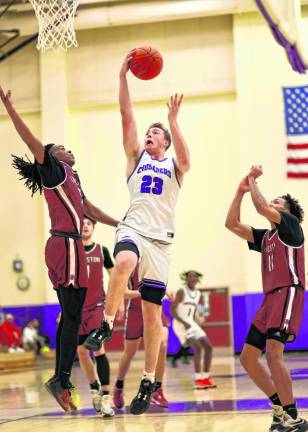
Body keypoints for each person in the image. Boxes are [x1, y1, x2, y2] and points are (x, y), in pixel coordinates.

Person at [0, 86, 118, 412]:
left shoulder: (74, 178)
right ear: (52, 155)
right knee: (72, 313)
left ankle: (61, 378)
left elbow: (90, 209)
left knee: (72, 313)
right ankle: (61, 378)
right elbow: (29, 141)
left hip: (71, 246)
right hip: (65, 244)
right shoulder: (53, 170)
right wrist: (9, 106)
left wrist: (119, 224)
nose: (68, 149)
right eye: (61, 147)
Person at [83, 54, 190, 415]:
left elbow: (187, 159)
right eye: (149, 132)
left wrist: (173, 121)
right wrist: (123, 77)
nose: (148, 135)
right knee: (124, 260)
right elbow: (126, 116)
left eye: (155, 134)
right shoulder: (136, 159)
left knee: (152, 320)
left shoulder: (174, 167)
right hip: (133, 229)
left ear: (165, 144)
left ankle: (147, 382)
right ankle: (107, 324)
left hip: (161, 242)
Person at [225, 165, 308, 432]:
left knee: (274, 353)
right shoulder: (266, 237)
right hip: (269, 299)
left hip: (288, 291)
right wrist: (239, 192)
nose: (271, 203)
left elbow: (261, 206)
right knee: (248, 358)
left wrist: (252, 179)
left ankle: (294, 417)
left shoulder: (291, 226)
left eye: (278, 202)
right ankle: (278, 407)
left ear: (287, 212)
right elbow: (232, 224)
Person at [113, 267, 170, 410]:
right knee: (129, 353)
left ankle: (157, 389)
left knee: (162, 345)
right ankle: (118, 385)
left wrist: (168, 292)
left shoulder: (156, 258)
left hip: (155, 309)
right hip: (135, 312)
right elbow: (123, 292)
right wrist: (142, 292)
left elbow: (161, 286)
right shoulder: (130, 260)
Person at [77, 216, 115, 417]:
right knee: (82, 351)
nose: (85, 226)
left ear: (93, 227)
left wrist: (118, 302)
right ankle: (95, 390)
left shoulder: (103, 251)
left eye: (89, 223)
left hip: (97, 307)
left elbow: (116, 277)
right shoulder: (72, 250)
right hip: (77, 309)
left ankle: (107, 399)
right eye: (82, 223)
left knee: (98, 349)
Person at [170, 271, 216, 389]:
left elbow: (192, 310)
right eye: (189, 276)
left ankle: (205, 377)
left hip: (191, 323)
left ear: (197, 279)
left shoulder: (198, 293)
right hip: (180, 324)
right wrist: (184, 322)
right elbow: (172, 310)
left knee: (208, 347)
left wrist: (197, 318)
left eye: (194, 276)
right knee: (198, 347)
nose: (192, 277)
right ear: (186, 279)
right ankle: (198, 379)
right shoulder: (182, 291)